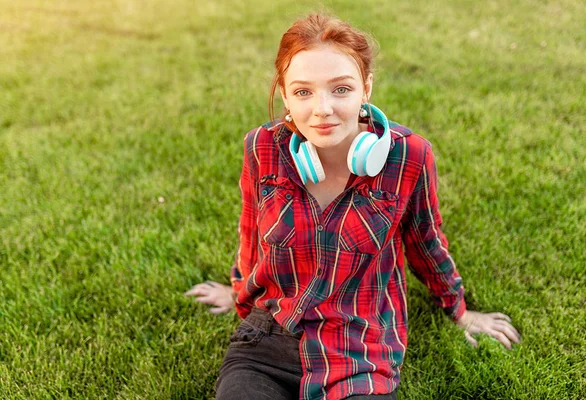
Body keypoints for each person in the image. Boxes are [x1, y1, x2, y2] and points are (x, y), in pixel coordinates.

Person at [185, 13, 521, 400]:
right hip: (269, 337)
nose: (322, 109)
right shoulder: (262, 148)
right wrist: (237, 290)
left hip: (360, 344)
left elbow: (426, 241)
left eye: (341, 89)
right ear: (285, 95)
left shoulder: (408, 156)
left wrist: (459, 310)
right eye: (303, 91)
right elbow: (251, 232)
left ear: (366, 88)